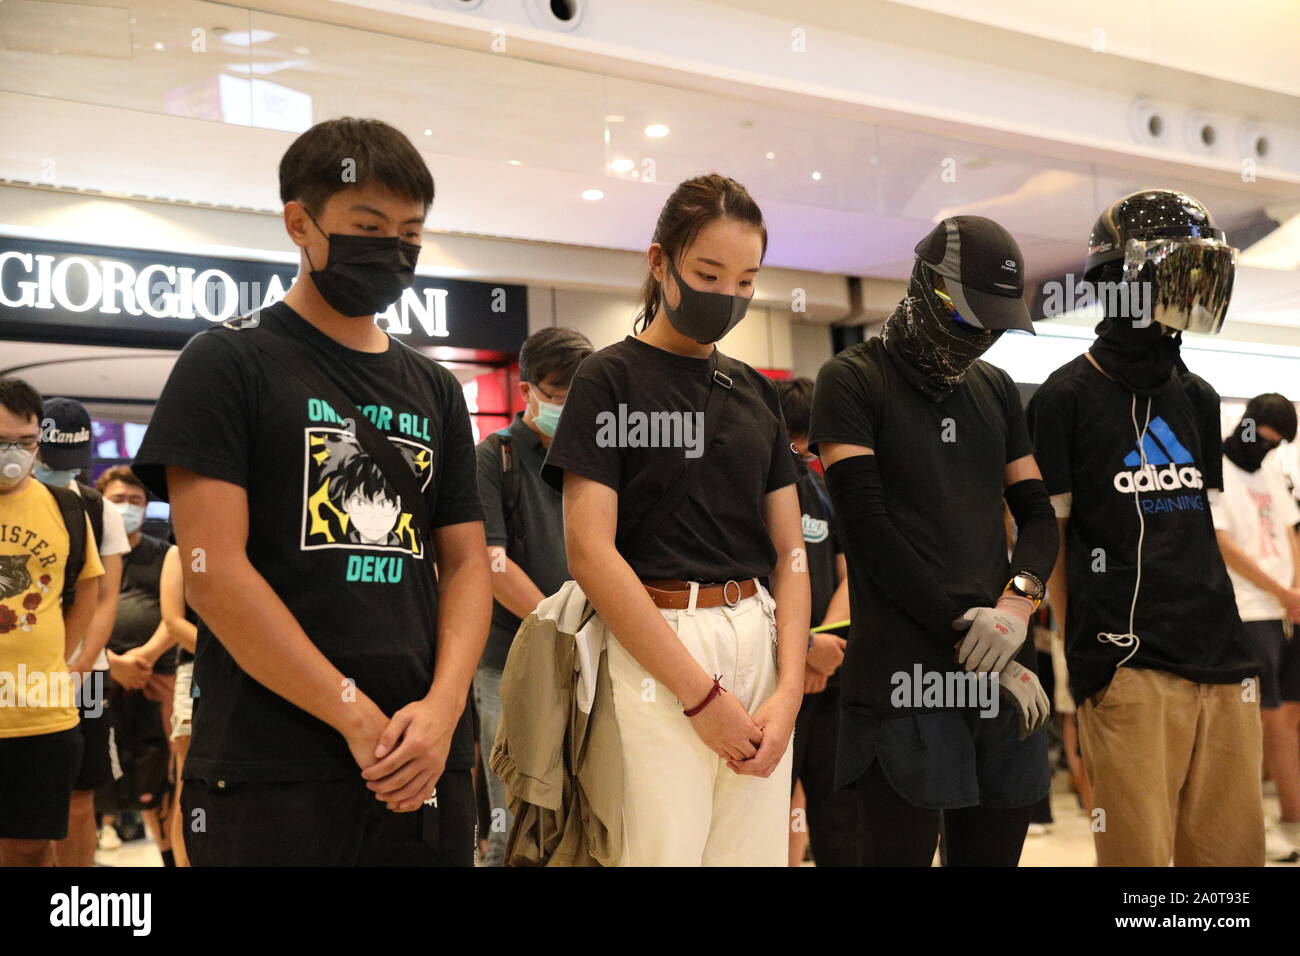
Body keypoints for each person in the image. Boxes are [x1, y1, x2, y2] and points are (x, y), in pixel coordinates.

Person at [132, 117, 492, 866]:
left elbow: (465, 564)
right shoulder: (227, 362)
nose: (392, 248)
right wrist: (354, 714)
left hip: (426, 759)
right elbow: (216, 573)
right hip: (273, 764)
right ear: (301, 222)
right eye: (368, 225)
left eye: (410, 231)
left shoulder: (434, 388)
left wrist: (445, 707)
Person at [541, 173, 809, 866]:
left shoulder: (754, 391)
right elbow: (590, 552)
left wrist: (788, 692)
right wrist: (699, 696)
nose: (729, 295)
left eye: (746, 279)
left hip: (756, 633)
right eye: (708, 273)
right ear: (660, 263)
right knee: (658, 853)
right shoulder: (608, 379)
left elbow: (792, 552)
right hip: (656, 646)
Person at [810, 215, 1057, 867]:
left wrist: (1018, 605)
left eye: (996, 323)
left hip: (999, 670)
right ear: (928, 289)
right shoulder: (852, 379)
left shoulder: (996, 390)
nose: (983, 337)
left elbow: (1037, 516)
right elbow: (867, 530)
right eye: (971, 317)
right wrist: (968, 633)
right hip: (903, 680)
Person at [1027, 189, 1264, 866]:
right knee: (1139, 865)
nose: (1195, 290)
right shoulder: (1064, 398)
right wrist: (1086, 667)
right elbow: (1060, 545)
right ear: (1127, 278)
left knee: (1227, 864)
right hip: (1128, 663)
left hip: (1224, 659)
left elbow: (1201, 532)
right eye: (1180, 270)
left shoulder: (1198, 396)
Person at [474, 326, 592, 866]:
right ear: (527, 393)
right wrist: (562, 624)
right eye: (560, 399)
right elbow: (493, 566)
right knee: (515, 814)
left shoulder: (591, 459)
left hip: (591, 659)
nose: (570, 412)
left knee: (583, 814)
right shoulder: (493, 457)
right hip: (510, 662)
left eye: (581, 400)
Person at [0, 378, 104, 866]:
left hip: (41, 713)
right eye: (3, 442)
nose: (14, 454)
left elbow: (88, 585)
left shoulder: (66, 506)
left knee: (32, 845)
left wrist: (60, 657)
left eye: (25, 442)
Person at [33, 396, 131, 866]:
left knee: (79, 792)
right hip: (18, 669)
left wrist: (77, 665)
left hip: (86, 673)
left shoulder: (97, 509)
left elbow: (105, 597)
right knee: (18, 795)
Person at [774, 377, 862, 866]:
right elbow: (750, 584)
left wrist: (824, 645)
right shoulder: (753, 488)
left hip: (830, 680)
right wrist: (803, 647)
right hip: (772, 683)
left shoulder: (825, 489)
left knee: (840, 823)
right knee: (765, 816)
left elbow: (853, 573)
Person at [1213, 393, 1300, 861]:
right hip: (1247, 610)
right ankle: (1245, 829)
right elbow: (1223, 544)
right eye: (1265, 440)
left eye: (1278, 444)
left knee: (1286, 723)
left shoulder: (1271, 470)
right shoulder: (1217, 470)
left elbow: (1290, 531)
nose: (1267, 450)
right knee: (1251, 727)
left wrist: (1295, 591)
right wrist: (1281, 591)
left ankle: (1292, 824)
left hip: (1284, 609)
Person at [94, 465, 179, 865]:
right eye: (118, 500)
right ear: (100, 502)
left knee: (163, 778)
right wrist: (110, 662)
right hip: (93, 676)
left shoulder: (163, 553)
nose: (128, 507)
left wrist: (142, 657)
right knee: (90, 772)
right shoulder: (86, 550)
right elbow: (70, 614)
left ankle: (166, 854)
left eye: (136, 501)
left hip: (156, 673)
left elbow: (177, 615)